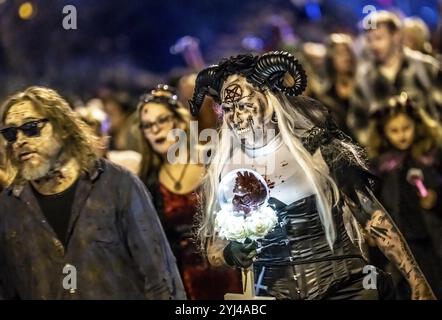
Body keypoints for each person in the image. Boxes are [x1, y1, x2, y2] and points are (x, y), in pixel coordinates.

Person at [190, 51, 435, 300]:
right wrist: (230, 253)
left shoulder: (318, 149)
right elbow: (213, 247)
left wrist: (417, 282)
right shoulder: (223, 167)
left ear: (269, 97)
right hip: (273, 293)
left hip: (346, 288)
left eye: (243, 105)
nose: (236, 117)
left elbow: (373, 217)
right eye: (228, 109)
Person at [0, 86, 186, 299]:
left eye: (31, 128)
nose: (20, 140)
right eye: (10, 133)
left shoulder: (117, 185)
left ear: (63, 128)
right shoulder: (8, 208)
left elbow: (160, 277)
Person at [137, 84, 242, 299]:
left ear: (178, 121)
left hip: (230, 270)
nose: (155, 129)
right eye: (147, 125)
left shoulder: (210, 158)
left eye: (162, 120)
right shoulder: (148, 182)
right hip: (184, 283)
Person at [366, 93, 442, 298]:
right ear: (384, 132)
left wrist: (436, 199)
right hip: (404, 243)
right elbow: (372, 202)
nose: (402, 135)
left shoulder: (430, 157)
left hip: (433, 239)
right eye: (394, 130)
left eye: (406, 128)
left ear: (417, 125)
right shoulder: (381, 166)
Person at [348, 11, 442, 145]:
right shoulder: (364, 79)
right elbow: (357, 121)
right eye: (369, 40)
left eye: (379, 38)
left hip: (430, 154)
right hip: (387, 162)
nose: (373, 45)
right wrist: (375, 148)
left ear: (396, 36)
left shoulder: (426, 68)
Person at [314, 33, 356, 137]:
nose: (346, 57)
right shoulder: (325, 95)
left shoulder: (363, 85)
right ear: (330, 58)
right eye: (340, 53)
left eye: (348, 52)